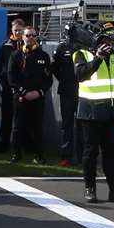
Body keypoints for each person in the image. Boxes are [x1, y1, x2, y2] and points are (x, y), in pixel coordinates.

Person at [70, 30, 114, 205]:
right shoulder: (80, 53)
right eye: (106, 41)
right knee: (90, 152)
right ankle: (89, 188)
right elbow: (81, 75)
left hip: (111, 112)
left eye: (111, 42)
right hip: (91, 111)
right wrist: (98, 58)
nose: (109, 45)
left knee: (110, 153)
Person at [8, 25, 52, 163]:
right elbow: (11, 77)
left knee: (37, 127)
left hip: (37, 98)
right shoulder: (15, 55)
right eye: (28, 35)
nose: (31, 38)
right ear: (22, 37)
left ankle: (38, 156)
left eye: (33, 35)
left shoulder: (44, 56)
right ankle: (16, 154)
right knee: (17, 127)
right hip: (20, 97)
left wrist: (39, 92)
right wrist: (24, 92)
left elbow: (48, 79)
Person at [51, 32, 82, 167]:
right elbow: (54, 67)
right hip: (67, 91)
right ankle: (66, 156)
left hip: (83, 92)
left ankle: (81, 156)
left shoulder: (84, 47)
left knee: (83, 125)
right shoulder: (61, 47)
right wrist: (64, 80)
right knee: (67, 125)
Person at [0, 18, 24, 153]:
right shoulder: (5, 46)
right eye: (15, 30)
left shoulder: (28, 44)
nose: (17, 32)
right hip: (7, 87)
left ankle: (22, 144)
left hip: (23, 87)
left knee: (23, 116)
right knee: (7, 116)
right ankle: (4, 143)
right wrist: (1, 81)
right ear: (11, 30)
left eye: (20, 30)